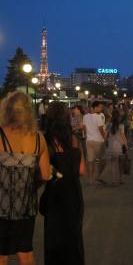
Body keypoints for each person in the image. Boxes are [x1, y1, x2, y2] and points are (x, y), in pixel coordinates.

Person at [0, 91, 50, 265]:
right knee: (26, 253)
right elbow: (45, 174)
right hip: (26, 206)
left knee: (1, 255)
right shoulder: (38, 139)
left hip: (1, 206)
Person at [43, 101, 85, 265]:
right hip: (74, 193)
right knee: (74, 237)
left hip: (54, 194)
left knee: (54, 238)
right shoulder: (74, 139)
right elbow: (82, 170)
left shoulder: (46, 140)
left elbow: (44, 172)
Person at [83, 101, 106, 184]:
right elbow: (101, 130)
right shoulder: (98, 117)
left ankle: (91, 180)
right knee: (103, 160)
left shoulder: (85, 116)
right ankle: (97, 176)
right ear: (95, 107)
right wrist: (105, 138)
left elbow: (85, 129)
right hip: (98, 141)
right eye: (99, 107)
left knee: (90, 161)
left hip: (89, 140)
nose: (101, 108)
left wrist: (88, 135)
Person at [106, 109, 128, 185]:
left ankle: (113, 180)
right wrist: (126, 145)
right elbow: (123, 136)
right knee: (120, 163)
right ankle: (120, 179)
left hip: (111, 145)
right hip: (119, 145)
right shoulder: (121, 125)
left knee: (113, 164)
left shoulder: (109, 124)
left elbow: (106, 135)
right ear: (119, 117)